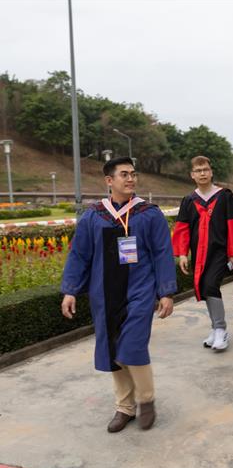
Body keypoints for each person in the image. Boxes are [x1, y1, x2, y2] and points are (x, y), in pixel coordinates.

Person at [61, 157, 177, 433]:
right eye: (124, 174)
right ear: (109, 181)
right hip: (104, 293)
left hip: (139, 289)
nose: (131, 179)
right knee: (113, 350)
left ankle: (146, 401)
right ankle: (125, 407)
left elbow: (162, 253)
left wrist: (166, 292)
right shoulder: (93, 216)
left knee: (132, 346)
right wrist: (70, 290)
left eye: (134, 174)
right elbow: (80, 254)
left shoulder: (148, 214)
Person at [172, 156, 233, 352]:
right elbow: (182, 228)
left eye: (205, 169)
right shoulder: (189, 200)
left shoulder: (225, 196)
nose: (202, 173)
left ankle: (221, 329)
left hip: (220, 251)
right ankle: (215, 328)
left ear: (211, 172)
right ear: (192, 175)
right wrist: (181, 254)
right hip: (199, 254)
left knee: (211, 285)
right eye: (198, 171)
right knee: (205, 288)